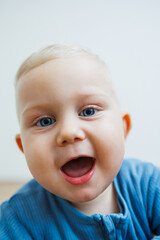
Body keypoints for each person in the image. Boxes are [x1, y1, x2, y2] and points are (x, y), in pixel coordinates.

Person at [0, 44, 160, 240]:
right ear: (24, 148)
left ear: (123, 128)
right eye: (45, 121)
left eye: (88, 111)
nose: (68, 132)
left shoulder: (147, 184)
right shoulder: (16, 221)